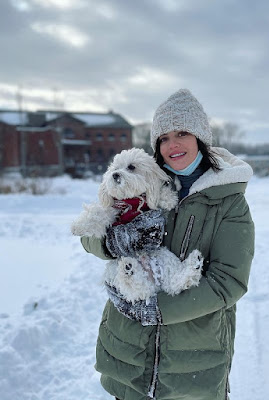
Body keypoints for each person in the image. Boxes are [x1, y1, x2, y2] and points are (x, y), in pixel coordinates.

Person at [80, 89, 255, 400]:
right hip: (128, 356)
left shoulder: (229, 201)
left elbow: (229, 282)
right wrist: (110, 242)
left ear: (201, 138)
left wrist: (158, 310)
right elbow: (91, 231)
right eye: (162, 138)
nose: (171, 144)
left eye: (182, 133)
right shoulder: (143, 181)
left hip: (193, 363)